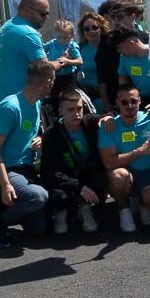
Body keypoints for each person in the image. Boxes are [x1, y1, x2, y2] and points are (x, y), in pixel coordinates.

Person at [0, 60, 55, 247]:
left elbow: (30, 131)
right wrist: (6, 185)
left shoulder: (37, 104)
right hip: (5, 169)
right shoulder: (10, 107)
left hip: (26, 168)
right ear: (48, 82)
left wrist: (39, 138)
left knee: (39, 230)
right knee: (38, 196)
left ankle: (12, 211)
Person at [99, 83, 150, 233]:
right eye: (124, 102)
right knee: (117, 175)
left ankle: (142, 203)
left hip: (149, 174)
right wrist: (138, 152)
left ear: (140, 101)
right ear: (117, 103)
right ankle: (125, 210)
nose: (129, 105)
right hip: (126, 174)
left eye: (133, 101)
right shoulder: (109, 125)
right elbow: (108, 162)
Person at [40, 88, 106, 235]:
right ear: (60, 111)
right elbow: (50, 172)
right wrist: (80, 187)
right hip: (63, 178)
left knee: (100, 179)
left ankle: (85, 207)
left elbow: (109, 116)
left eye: (79, 108)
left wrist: (107, 118)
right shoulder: (51, 135)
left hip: (85, 173)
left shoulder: (90, 123)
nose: (76, 113)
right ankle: (60, 211)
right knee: (59, 195)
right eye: (70, 109)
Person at [0, 0, 63, 105]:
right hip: (24, 102)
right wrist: (60, 61)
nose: (46, 18)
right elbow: (45, 70)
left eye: (47, 14)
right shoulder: (28, 33)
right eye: (42, 14)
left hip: (4, 101)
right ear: (27, 10)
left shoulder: (5, 28)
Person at [116, 28, 150, 108]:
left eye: (120, 47)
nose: (118, 51)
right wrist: (125, 95)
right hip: (137, 98)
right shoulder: (124, 57)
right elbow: (122, 76)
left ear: (131, 43)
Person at [44, 19, 83, 100]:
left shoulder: (72, 45)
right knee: (55, 99)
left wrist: (67, 61)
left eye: (65, 37)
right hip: (55, 77)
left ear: (72, 35)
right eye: (59, 37)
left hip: (69, 78)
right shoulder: (51, 43)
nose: (61, 40)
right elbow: (39, 51)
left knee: (69, 99)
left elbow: (80, 61)